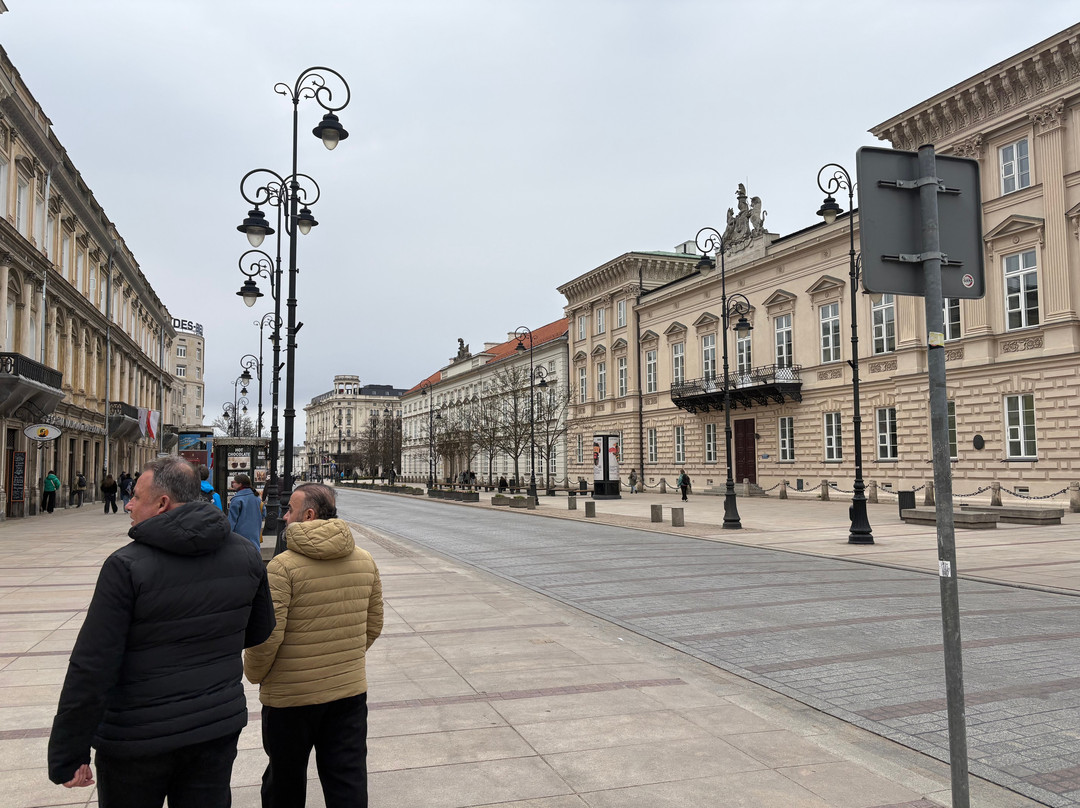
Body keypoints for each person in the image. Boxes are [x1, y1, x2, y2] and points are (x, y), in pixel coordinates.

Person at [48, 456, 275, 807]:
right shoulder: (246, 554)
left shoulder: (125, 565)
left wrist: (68, 751)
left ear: (162, 503)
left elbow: (93, 664)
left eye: (136, 496)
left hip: (138, 738)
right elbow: (260, 630)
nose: (128, 504)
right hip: (214, 726)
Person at [245, 483, 383, 808]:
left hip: (290, 699)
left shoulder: (282, 567)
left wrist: (255, 674)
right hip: (348, 693)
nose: (283, 517)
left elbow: (266, 638)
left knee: (284, 784)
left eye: (289, 511)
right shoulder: (365, 560)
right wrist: (342, 659)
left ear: (308, 515)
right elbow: (373, 624)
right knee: (347, 783)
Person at [228, 473, 262, 551]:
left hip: (240, 535)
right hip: (255, 533)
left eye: (234, 482)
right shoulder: (256, 497)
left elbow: (232, 521)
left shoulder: (237, 499)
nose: (232, 484)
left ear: (240, 484)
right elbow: (263, 513)